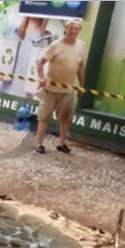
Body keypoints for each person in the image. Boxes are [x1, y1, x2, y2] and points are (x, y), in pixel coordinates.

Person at [35, 18, 87, 154]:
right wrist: (42, 78)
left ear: (79, 31)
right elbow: (40, 63)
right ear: (66, 29)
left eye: (76, 29)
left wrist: (82, 85)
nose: (73, 31)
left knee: (66, 119)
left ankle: (61, 143)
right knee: (44, 117)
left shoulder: (81, 46)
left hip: (68, 89)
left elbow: (80, 67)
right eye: (71, 28)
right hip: (50, 89)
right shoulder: (55, 45)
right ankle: (39, 144)